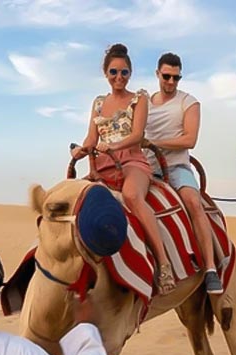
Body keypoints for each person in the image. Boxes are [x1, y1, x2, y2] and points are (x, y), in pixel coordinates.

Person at [72, 43, 176, 295]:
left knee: (132, 196)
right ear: (106, 74)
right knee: (72, 199)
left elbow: (138, 135)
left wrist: (114, 145)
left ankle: (163, 263)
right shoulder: (98, 103)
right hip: (104, 166)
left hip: (132, 162)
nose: (119, 78)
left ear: (130, 74)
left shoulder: (138, 99)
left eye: (124, 72)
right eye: (114, 72)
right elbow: (91, 139)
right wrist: (81, 150)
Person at [143, 52, 223, 295]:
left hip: (176, 168)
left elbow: (190, 139)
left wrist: (153, 143)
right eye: (166, 76)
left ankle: (210, 268)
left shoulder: (188, 102)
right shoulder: (143, 102)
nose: (170, 82)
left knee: (193, 202)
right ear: (157, 73)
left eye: (176, 78)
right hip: (144, 167)